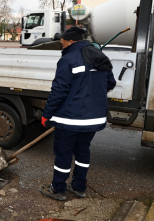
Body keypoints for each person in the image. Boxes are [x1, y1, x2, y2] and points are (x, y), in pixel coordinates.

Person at [39, 27, 116, 201]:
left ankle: (58, 189)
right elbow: (110, 83)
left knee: (64, 153)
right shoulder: (99, 56)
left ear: (71, 41)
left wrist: (47, 114)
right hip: (93, 118)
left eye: (63, 41)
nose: (61, 43)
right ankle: (79, 186)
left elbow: (59, 90)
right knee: (83, 151)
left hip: (71, 119)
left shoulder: (68, 59)